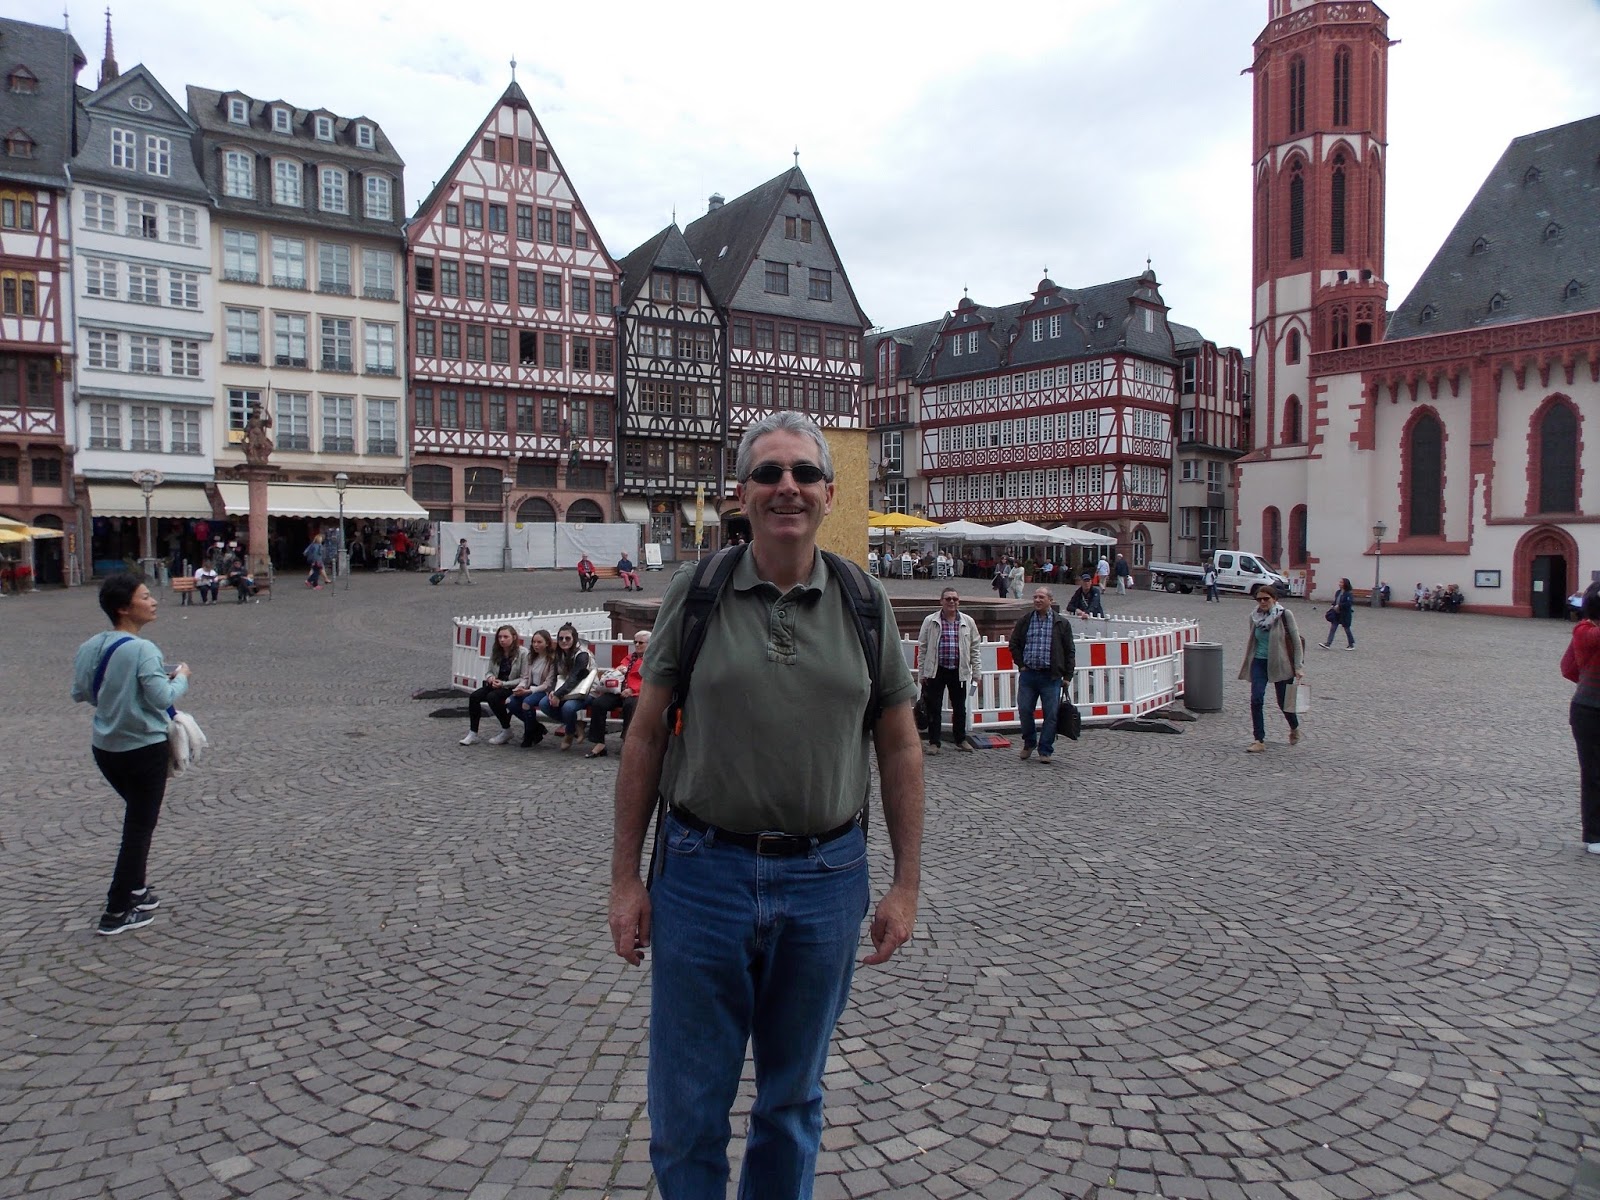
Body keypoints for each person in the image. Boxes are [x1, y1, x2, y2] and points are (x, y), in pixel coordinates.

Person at [608, 411, 923, 1199]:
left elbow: (900, 745)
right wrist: (624, 879)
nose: (788, 487)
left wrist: (906, 884)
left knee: (792, 1103)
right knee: (687, 1111)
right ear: (741, 494)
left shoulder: (863, 600)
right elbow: (645, 735)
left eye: (805, 473)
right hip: (701, 875)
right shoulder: (698, 591)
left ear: (829, 494)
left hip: (825, 880)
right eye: (769, 473)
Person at [70, 573, 191, 935]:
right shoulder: (143, 650)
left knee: (138, 818)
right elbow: (162, 698)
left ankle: (137, 888)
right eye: (145, 596)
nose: (153, 602)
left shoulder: (90, 646)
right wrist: (181, 677)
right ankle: (117, 909)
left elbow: (81, 692)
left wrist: (118, 694)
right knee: (138, 828)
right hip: (143, 749)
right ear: (124, 608)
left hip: (106, 748)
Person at [1008, 586, 1076, 764]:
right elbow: (1014, 643)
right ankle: (1029, 742)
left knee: (1051, 714)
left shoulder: (1061, 623)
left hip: (1051, 676)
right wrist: (1021, 664)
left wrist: (1067, 676)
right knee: (1024, 710)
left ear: (1050, 600)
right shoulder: (1026, 620)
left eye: (1041, 597)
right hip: (1029, 674)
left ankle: (1045, 749)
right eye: (1035, 597)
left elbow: (1069, 650)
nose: (1037, 600)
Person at [1238, 588, 1305, 752]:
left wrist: (1298, 666)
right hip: (1259, 662)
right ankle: (1259, 739)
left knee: (1283, 702)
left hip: (1280, 663)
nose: (1262, 602)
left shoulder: (1285, 615)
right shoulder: (1254, 617)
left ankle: (1294, 727)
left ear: (1274, 599)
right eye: (1259, 599)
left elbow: (1296, 642)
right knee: (1256, 698)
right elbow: (1253, 640)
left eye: (1266, 599)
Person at [1559, 584, 1600, 854]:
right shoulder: (1585, 631)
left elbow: (1568, 668)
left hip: (1588, 705)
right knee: (1594, 774)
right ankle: (1595, 835)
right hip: (1590, 710)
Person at [917, 587, 981, 754]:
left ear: (959, 601)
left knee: (960, 708)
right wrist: (922, 672)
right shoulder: (930, 621)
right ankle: (934, 742)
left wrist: (977, 672)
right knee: (934, 707)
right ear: (941, 601)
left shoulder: (968, 621)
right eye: (948, 599)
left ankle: (960, 739)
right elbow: (923, 648)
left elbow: (975, 648)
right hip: (936, 670)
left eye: (955, 599)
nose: (952, 601)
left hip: (958, 670)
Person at [585, 631, 650, 758]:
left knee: (630, 706)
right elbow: (618, 671)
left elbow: (649, 681)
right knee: (598, 703)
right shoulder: (630, 658)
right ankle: (599, 742)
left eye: (640, 643)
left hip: (638, 693)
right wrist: (618, 671)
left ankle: (627, 741)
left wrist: (633, 690)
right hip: (620, 691)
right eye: (635, 642)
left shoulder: (651, 660)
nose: (637, 645)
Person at [460, 625, 525, 745]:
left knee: (492, 697)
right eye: (500, 637)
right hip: (496, 684)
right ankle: (473, 732)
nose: (502, 640)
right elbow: (489, 671)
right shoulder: (497, 651)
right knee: (474, 697)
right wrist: (490, 678)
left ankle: (506, 729)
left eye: (505, 637)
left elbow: (523, 678)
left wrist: (504, 683)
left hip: (511, 686)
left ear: (514, 637)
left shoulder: (522, 653)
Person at [539, 622, 593, 750]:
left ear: (574, 639)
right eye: (561, 638)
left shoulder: (582, 655)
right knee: (544, 704)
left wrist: (558, 695)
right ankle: (575, 725)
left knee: (568, 708)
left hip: (586, 690)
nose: (564, 641)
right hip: (565, 689)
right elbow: (554, 675)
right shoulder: (559, 654)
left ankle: (569, 733)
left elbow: (575, 677)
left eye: (567, 638)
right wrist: (551, 691)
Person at [508, 629, 557, 747]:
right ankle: (537, 727)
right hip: (529, 687)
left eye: (539, 642)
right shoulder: (531, 657)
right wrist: (520, 687)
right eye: (534, 642)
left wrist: (529, 691)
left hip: (542, 690)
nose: (536, 645)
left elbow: (548, 683)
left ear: (547, 643)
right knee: (510, 702)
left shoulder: (552, 660)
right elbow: (525, 677)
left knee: (527, 703)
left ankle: (528, 733)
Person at [1320, 577, 1356, 650]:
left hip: (1345, 614)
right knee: (1333, 628)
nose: (1339, 584)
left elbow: (1348, 603)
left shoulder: (1348, 594)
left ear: (1345, 584)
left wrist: (1340, 605)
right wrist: (1333, 605)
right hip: (1336, 613)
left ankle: (1351, 644)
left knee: (1347, 629)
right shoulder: (1338, 592)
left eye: (1341, 582)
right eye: (1340, 582)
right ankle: (1328, 643)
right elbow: (1336, 601)